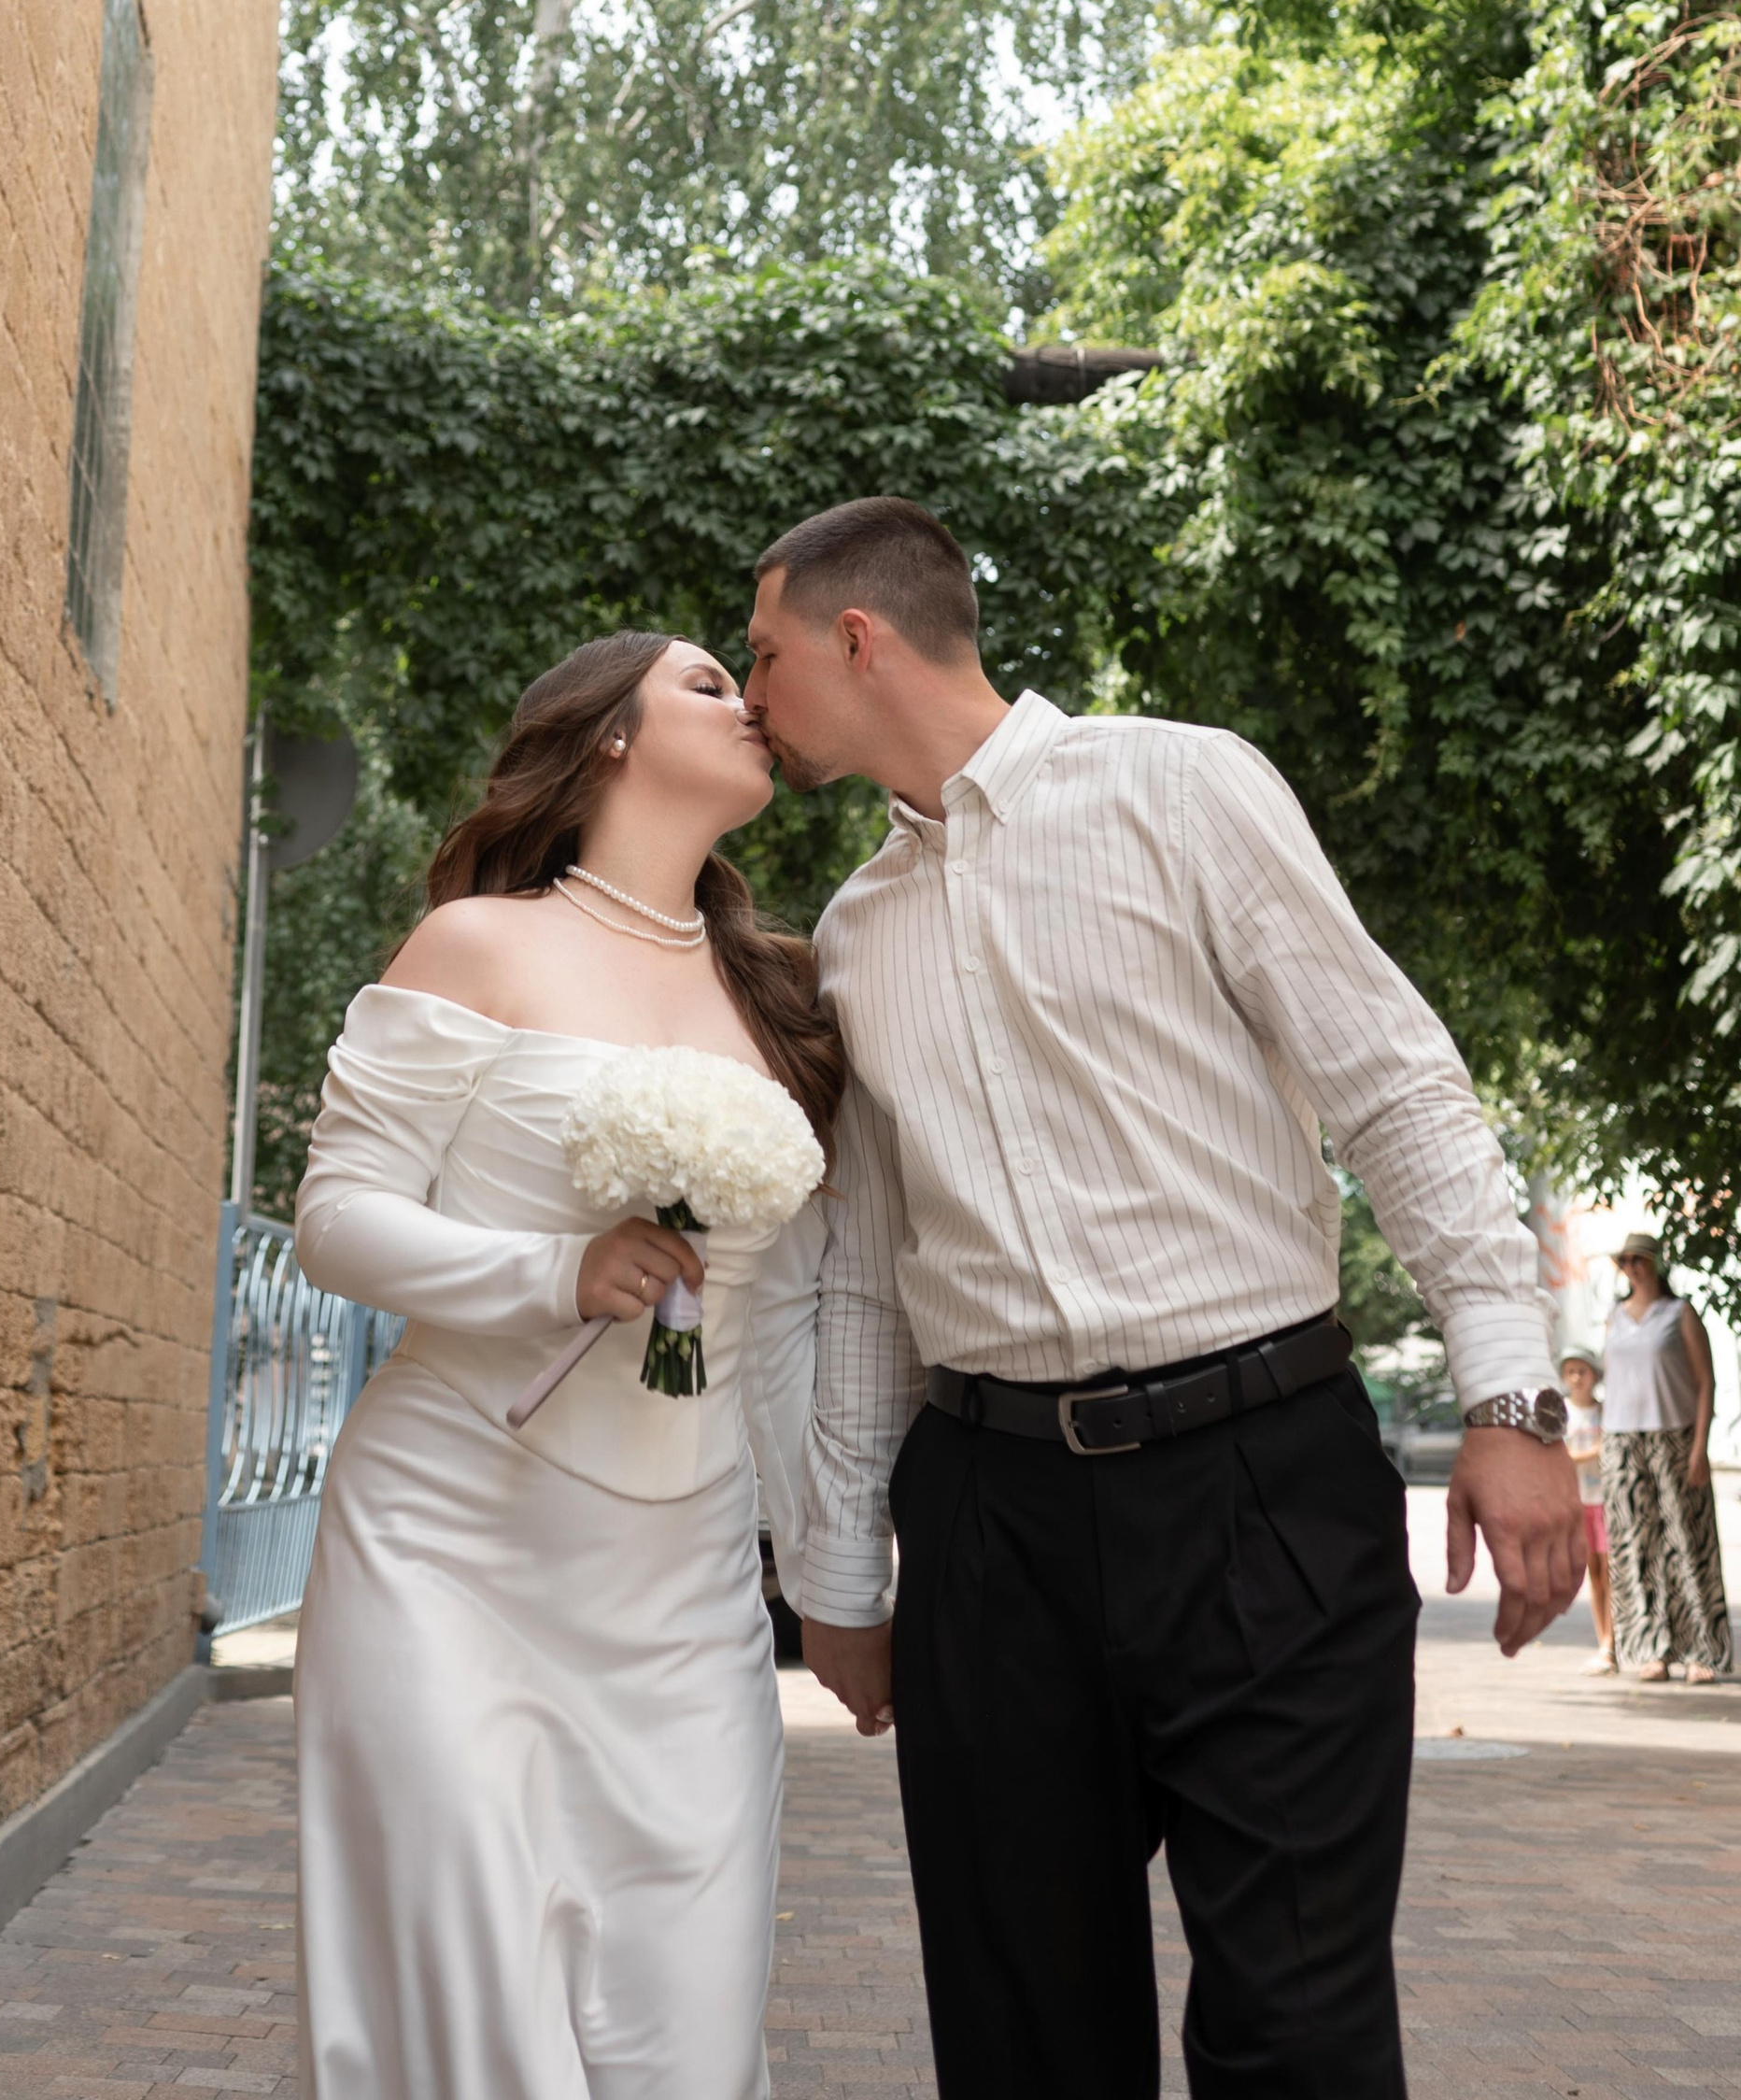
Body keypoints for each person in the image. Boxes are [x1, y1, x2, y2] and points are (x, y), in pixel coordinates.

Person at [740, 494, 1586, 2100]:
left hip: (1264, 1485)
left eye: (766, 652)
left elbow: (1399, 1088)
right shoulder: (853, 935)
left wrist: (1512, 1401)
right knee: (1023, 2040)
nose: (753, 689)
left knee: (1297, 2032)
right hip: (991, 1526)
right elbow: (864, 1284)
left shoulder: (1180, 786)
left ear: (859, 637)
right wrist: (840, 1573)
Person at [288, 631, 840, 2100]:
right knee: (471, 2012)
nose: (755, 705)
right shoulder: (482, 945)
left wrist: (832, 1564)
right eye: (711, 683)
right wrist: (555, 1273)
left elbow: (787, 1317)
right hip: (452, 1543)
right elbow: (335, 1223)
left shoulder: (785, 999)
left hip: (687, 1583)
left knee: (688, 2031)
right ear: (605, 735)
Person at [1600, 1231, 1730, 1684]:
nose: (1632, 1266)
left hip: (1674, 1439)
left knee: (1688, 1543)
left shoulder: (1679, 1313)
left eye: (1639, 1259)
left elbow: (1705, 1382)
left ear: (1655, 1263)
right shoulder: (1614, 1317)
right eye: (1625, 1260)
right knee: (1637, 1548)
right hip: (1621, 1441)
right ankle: (1651, 1649)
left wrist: (1700, 1447)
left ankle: (1703, 1652)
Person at [1559, 1347, 1614, 1668]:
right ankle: (1603, 1643)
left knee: (1611, 1573)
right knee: (1594, 1575)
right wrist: (1594, 1450)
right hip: (1580, 1502)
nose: (1578, 1377)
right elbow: (1559, 1457)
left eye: (1583, 1370)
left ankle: (1611, 1641)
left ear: (1594, 1375)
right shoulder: (1562, 1413)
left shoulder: (1605, 1412)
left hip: (1606, 1500)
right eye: (1571, 1372)